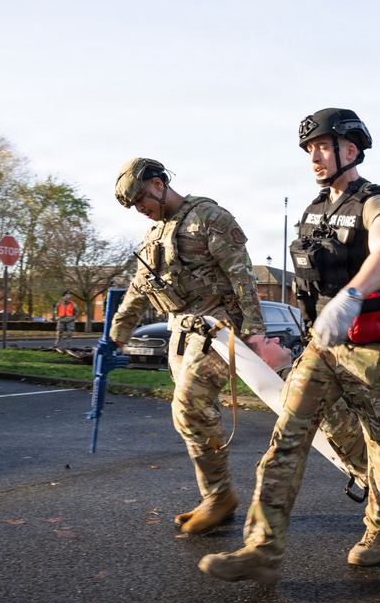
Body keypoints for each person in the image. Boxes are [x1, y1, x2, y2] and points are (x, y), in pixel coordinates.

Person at [201, 108, 380, 584]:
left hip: (370, 351)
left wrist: (352, 296)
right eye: (309, 149)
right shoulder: (314, 210)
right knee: (287, 438)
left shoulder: (375, 201)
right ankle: (261, 548)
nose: (314, 157)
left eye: (323, 147)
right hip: (321, 344)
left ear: (350, 150)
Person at [109, 157, 267, 535]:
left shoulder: (209, 217)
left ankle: (219, 497)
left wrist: (255, 331)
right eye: (133, 205)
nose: (140, 208)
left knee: (189, 407)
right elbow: (140, 287)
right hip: (181, 333)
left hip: (219, 329)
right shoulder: (154, 233)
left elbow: (242, 277)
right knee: (191, 416)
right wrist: (119, 330)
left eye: (141, 199)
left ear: (159, 183)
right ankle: (216, 496)